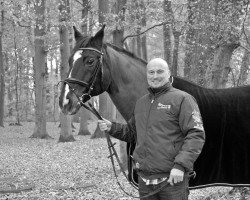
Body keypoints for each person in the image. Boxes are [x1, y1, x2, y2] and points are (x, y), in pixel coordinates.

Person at [98, 58, 205, 200]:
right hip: (145, 181)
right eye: (151, 72)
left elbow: (196, 134)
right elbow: (131, 133)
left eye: (160, 71)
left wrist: (180, 166)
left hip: (172, 180)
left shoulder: (183, 99)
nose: (155, 76)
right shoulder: (141, 103)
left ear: (169, 73)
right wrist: (112, 127)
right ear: (146, 75)